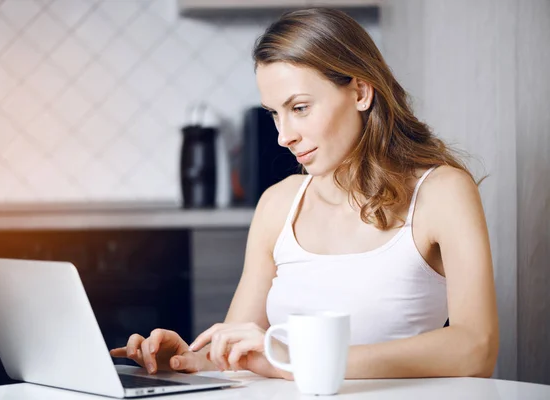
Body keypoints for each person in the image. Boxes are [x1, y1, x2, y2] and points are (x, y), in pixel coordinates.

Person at [110, 8, 499, 380]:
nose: (284, 135)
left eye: (299, 107)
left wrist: (305, 359)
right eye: (275, 113)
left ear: (361, 91)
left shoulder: (442, 193)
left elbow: (476, 348)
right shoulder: (279, 203)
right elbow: (241, 352)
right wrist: (188, 359)